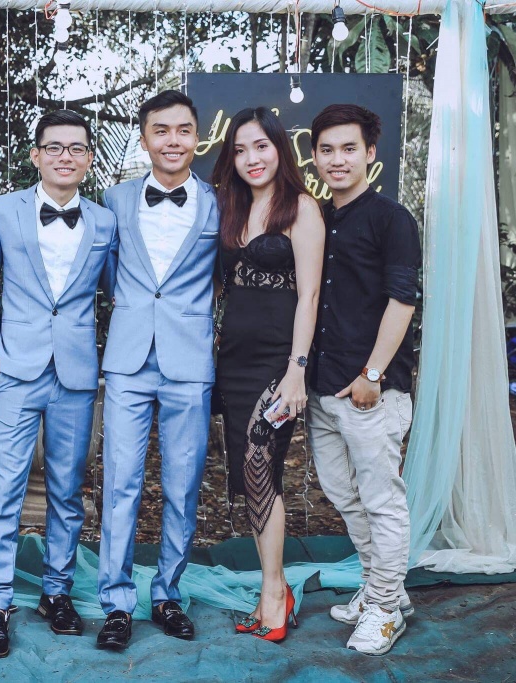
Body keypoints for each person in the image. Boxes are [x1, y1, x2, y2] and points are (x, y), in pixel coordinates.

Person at [0, 110, 118, 659]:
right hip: (13, 371)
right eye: (54, 147)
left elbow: (116, 295)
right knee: (1, 491)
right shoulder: (1, 211)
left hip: (76, 376)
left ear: (89, 159)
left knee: (67, 491)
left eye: (76, 148)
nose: (65, 156)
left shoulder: (104, 222)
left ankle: (57, 592)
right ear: (35, 156)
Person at [95, 90, 220, 650]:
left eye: (183, 130)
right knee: (119, 483)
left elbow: (223, 276)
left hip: (189, 361)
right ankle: (116, 603)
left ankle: (168, 593)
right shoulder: (114, 199)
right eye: (161, 130)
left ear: (197, 137)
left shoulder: (218, 203)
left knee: (182, 485)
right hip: (128, 359)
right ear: (144, 138)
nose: (173, 140)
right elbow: (107, 272)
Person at [307, 104, 420, 656]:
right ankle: (384, 590)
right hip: (322, 387)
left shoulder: (392, 219)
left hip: (372, 390)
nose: (338, 159)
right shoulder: (316, 218)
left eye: (349, 148)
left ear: (370, 153)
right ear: (314, 156)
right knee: (344, 495)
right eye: (327, 150)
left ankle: (383, 609)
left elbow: (403, 301)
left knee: (381, 500)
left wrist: (371, 374)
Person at [211, 107, 324, 642]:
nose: (251, 158)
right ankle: (272, 588)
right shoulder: (230, 207)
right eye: (239, 150)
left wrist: (296, 370)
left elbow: (310, 295)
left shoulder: (301, 207)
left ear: (280, 147)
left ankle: (275, 592)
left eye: (260, 146)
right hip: (233, 360)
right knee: (250, 476)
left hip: (278, 362)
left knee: (260, 467)